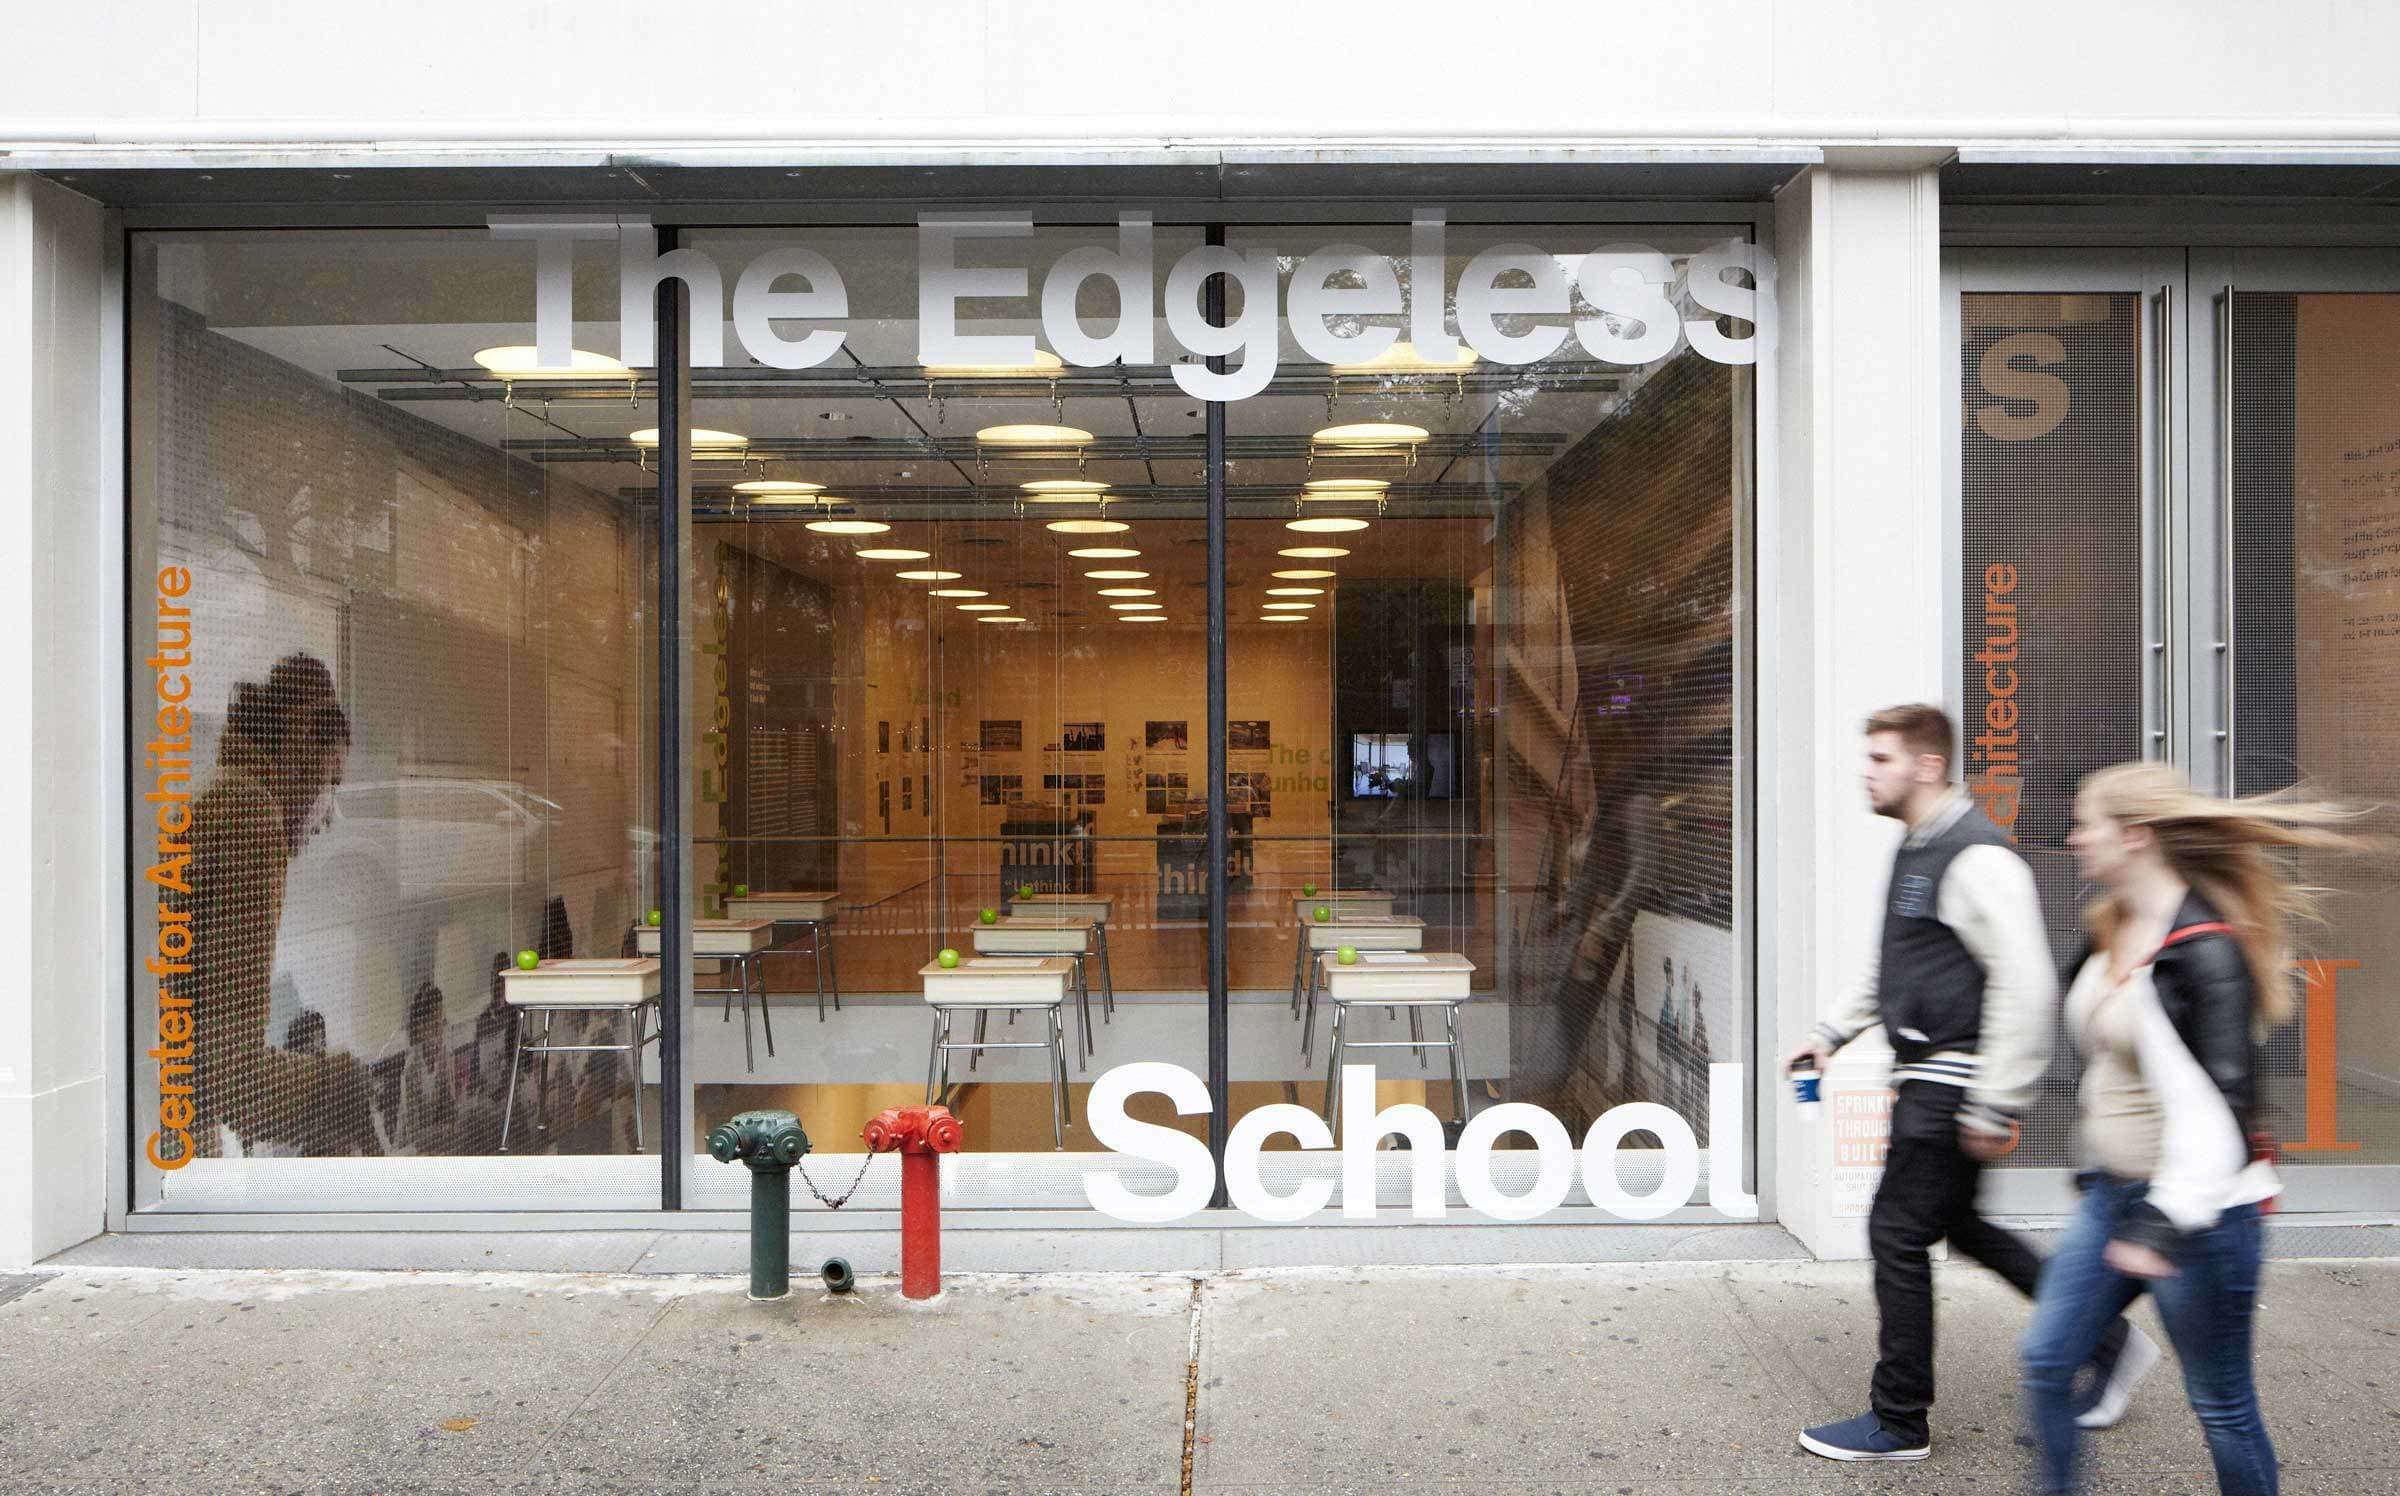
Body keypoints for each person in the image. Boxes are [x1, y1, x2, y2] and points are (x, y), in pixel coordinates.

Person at [1790, 704, 2142, 1462]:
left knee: (1895, 1233)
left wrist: (1996, 1098)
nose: (1866, 770)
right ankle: (2107, 1342)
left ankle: (1899, 1421)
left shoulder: (1977, 857)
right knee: (1959, 1227)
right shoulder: (1920, 849)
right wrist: (1830, 1035)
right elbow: (1900, 965)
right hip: (1935, 1077)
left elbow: (2027, 980)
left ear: (1927, 766)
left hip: (1951, 1084)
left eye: (1880, 758)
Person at [2020, 763, 2371, 1495]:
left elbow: (2227, 1118)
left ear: (2137, 836)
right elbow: (2114, 1072)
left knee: (2222, 1406)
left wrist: (2160, 1225)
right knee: (2049, 1362)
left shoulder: (2203, 952)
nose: (2073, 837)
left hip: (2199, 1217)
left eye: (2088, 822)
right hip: (2116, 1199)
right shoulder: (2111, 925)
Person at [180, 653, 380, 1158]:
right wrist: (337, 1085)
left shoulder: (220, 793)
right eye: (331, 783)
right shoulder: (250, 817)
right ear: (301, 739)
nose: (329, 815)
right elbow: (237, 1080)